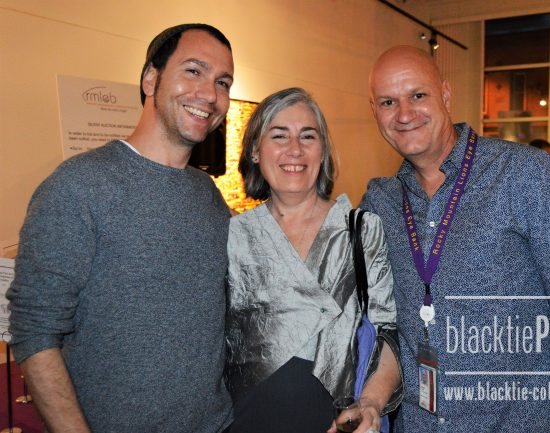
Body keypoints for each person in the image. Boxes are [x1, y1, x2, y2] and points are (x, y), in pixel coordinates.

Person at [362, 46, 550, 433]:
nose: (404, 114)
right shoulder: (381, 201)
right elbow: (379, 320)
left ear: (445, 93)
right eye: (389, 101)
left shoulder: (525, 175)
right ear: (374, 111)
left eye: (418, 95)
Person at [7, 23, 234, 432]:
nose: (210, 94)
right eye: (193, 71)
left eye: (223, 81)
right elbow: (35, 331)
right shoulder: (78, 187)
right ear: (151, 79)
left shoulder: (209, 195)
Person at [225, 87, 402, 433]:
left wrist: (371, 402)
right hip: (248, 422)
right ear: (256, 152)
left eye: (308, 136)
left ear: (323, 152)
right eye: (279, 136)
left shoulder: (360, 230)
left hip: (335, 422)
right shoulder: (233, 235)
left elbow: (390, 332)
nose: (295, 149)